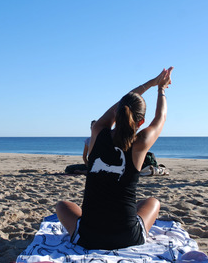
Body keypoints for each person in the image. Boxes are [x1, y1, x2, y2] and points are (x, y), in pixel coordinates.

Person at [56, 67, 173, 250]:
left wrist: (151, 83)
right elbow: (161, 118)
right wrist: (161, 89)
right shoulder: (140, 143)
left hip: (88, 237)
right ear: (140, 122)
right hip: (128, 237)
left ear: (117, 115)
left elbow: (121, 104)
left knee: (62, 206)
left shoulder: (97, 131)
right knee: (153, 202)